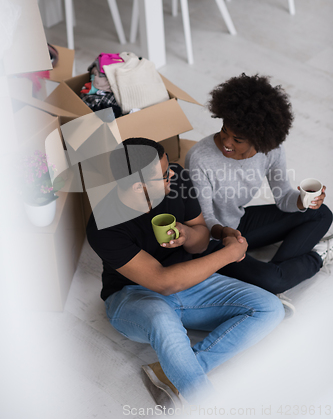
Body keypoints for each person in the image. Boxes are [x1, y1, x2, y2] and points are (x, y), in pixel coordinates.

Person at [86, 137, 285, 408]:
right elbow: (162, 283)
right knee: (162, 319)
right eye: (164, 175)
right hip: (132, 295)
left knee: (271, 308)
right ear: (138, 186)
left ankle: (170, 372)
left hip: (191, 281)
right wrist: (228, 253)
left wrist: (188, 234)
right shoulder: (103, 224)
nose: (172, 175)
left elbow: (201, 240)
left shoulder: (177, 179)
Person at [185, 74, 333, 297]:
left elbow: (283, 197)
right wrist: (226, 234)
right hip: (213, 239)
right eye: (225, 130)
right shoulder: (200, 158)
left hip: (239, 222)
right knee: (271, 281)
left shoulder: (271, 150)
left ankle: (276, 274)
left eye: (238, 140)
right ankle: (315, 259)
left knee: (320, 213)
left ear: (259, 137)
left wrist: (303, 200)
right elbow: (203, 221)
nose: (226, 142)